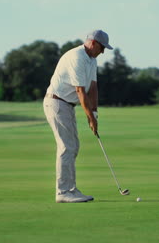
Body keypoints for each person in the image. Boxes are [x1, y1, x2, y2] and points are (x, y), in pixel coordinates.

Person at [43, 30, 113, 203]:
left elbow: (93, 87)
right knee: (67, 147)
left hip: (66, 105)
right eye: (102, 47)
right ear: (93, 43)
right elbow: (80, 91)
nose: (103, 52)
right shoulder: (77, 57)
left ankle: (70, 189)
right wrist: (89, 118)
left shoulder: (92, 60)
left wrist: (94, 113)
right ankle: (63, 192)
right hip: (57, 103)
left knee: (73, 146)